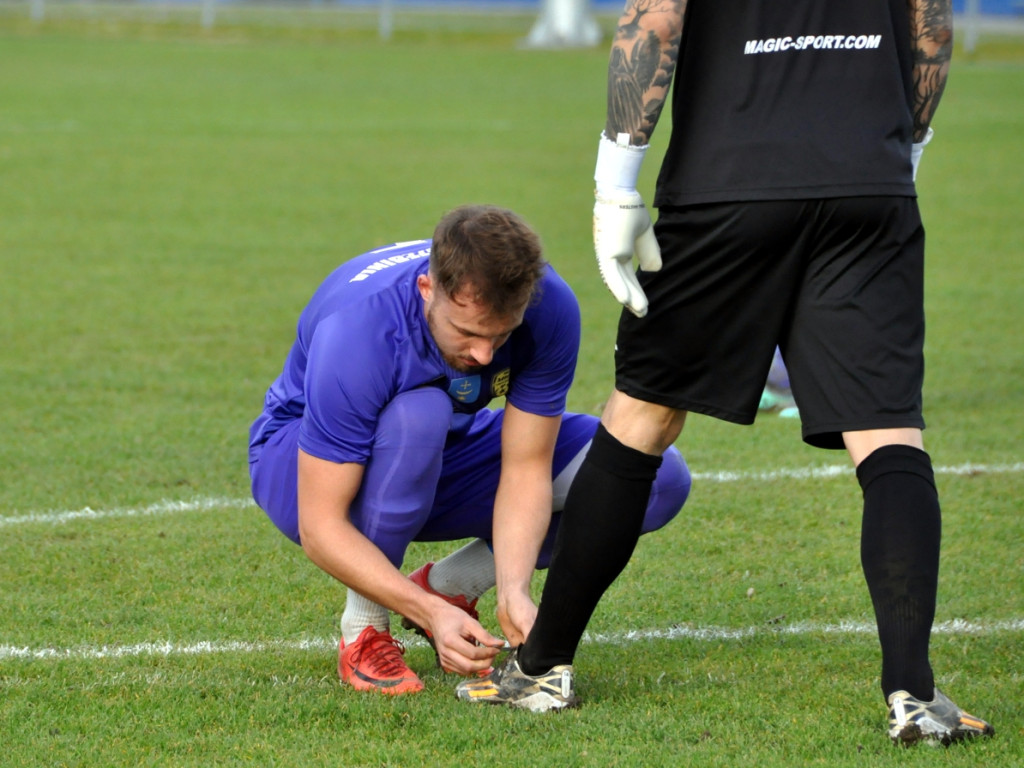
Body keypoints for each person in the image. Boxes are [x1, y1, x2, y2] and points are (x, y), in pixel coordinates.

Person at [456, 1, 995, 747]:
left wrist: (616, 179)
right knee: (887, 429)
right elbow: (929, 20)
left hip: (728, 177)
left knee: (642, 416)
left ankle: (542, 665)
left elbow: (654, 17)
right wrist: (905, 150)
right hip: (867, 177)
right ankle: (914, 691)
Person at [248, 204, 691, 695]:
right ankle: (365, 629)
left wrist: (512, 588)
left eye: (502, 335)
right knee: (419, 415)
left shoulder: (551, 307)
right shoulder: (359, 329)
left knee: (651, 477)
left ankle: (447, 586)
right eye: (469, 333)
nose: (485, 355)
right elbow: (321, 525)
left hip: (443, 447)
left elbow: (527, 466)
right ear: (427, 291)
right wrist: (427, 618)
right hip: (298, 464)